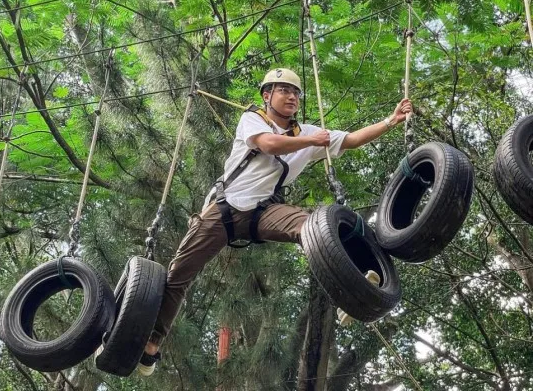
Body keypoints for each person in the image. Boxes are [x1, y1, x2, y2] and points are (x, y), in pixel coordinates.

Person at [137, 68, 413, 376]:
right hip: (224, 209)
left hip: (263, 212)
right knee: (178, 275)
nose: (292, 96)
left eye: (295, 93)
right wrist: (311, 141)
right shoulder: (253, 120)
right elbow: (268, 145)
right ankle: (151, 344)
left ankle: (356, 288)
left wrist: (390, 121)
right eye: (283, 91)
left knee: (317, 229)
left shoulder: (306, 133)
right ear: (267, 96)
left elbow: (350, 140)